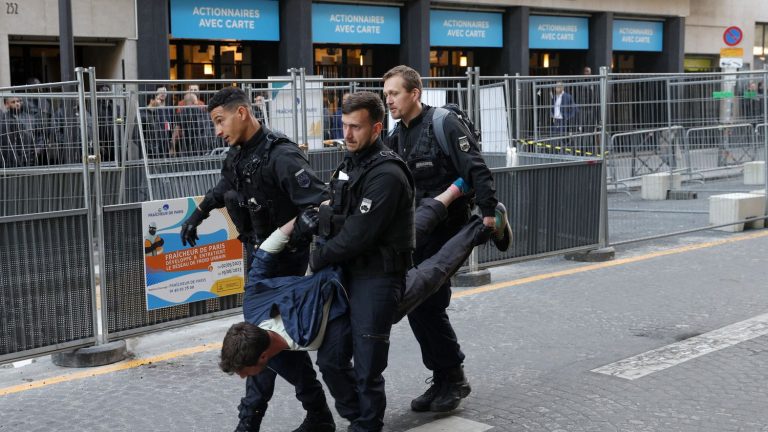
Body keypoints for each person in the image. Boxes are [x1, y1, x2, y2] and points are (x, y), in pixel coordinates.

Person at [219, 178, 509, 378]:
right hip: (346, 264)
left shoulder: (300, 335)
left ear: (262, 358)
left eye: (244, 373)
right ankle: (456, 188)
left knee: (431, 273)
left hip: (369, 297)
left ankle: (482, 226)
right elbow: (264, 257)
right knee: (411, 233)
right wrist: (298, 223)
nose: (244, 377)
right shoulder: (254, 308)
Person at [178, 86, 332, 432]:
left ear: (242, 113)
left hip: (283, 266)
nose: (217, 130)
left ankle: (252, 422)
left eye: (220, 121)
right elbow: (224, 188)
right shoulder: (237, 154)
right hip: (258, 258)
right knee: (268, 344)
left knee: (261, 344)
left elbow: (320, 201)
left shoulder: (282, 156)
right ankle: (316, 415)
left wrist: (308, 224)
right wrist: (197, 214)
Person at [382, 65, 511, 414]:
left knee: (429, 305)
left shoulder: (442, 124)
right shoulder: (395, 137)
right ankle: (444, 377)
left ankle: (452, 378)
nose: (389, 100)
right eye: (386, 94)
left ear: (414, 93)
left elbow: (476, 169)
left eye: (394, 93)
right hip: (417, 230)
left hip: (448, 229)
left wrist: (486, 213)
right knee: (417, 307)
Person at [309, 91, 414, 432]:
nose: (348, 134)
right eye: (345, 125)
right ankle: (358, 417)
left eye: (356, 127)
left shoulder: (387, 174)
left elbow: (359, 233)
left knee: (368, 366)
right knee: (330, 359)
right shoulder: (349, 163)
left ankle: (368, 425)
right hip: (346, 274)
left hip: (378, 277)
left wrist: (320, 255)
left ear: (377, 128)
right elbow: (334, 212)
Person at [0, 96, 36, 167]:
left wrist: (36, 150)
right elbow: (9, 145)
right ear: (7, 104)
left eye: (18, 101)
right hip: (15, 162)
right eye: (13, 102)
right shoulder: (5, 120)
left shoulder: (29, 118)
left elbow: (36, 135)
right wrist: (19, 163)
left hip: (29, 158)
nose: (17, 104)